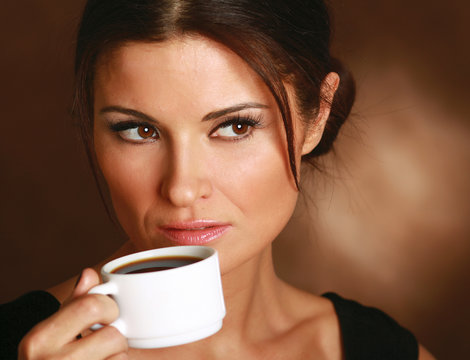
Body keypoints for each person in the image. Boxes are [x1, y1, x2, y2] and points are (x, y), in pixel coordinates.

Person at [0, 0, 435, 359]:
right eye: (138, 130)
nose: (182, 188)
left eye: (236, 127)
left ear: (316, 117)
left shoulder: (383, 350)